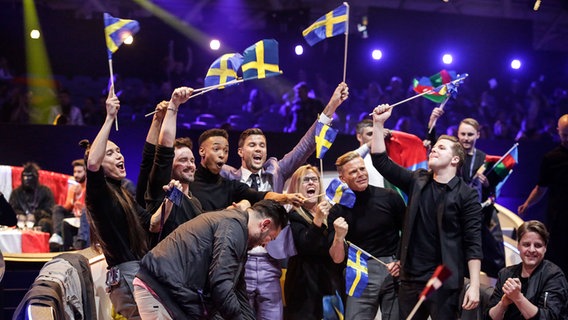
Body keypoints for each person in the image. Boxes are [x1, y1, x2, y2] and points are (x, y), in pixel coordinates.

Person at [219, 82, 348, 320]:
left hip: (271, 264)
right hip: (239, 265)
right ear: (240, 152)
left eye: (262, 145)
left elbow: (306, 146)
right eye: (252, 145)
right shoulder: (228, 176)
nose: (259, 149)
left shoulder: (276, 172)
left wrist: (330, 107)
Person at [370, 103, 482, 319]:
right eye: (435, 146)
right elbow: (381, 162)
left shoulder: (466, 195)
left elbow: (473, 244)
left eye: (441, 148)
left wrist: (475, 286)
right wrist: (378, 123)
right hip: (410, 278)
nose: (434, 150)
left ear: (455, 159)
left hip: (443, 279)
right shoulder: (418, 180)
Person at [83, 88, 172, 319]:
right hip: (127, 274)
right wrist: (110, 117)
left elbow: (153, 224)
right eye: (111, 153)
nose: (120, 156)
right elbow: (92, 162)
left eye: (119, 151)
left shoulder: (123, 193)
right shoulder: (98, 193)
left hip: (138, 270)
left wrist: (173, 197)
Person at [133, 199, 288, 319]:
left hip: (171, 294)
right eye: (271, 238)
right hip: (160, 293)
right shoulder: (233, 228)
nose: (266, 244)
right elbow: (221, 284)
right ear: (265, 225)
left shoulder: (236, 229)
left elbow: (238, 291)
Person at [328, 152, 405, 319]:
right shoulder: (337, 211)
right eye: (353, 172)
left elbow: (408, 233)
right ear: (343, 178)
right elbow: (337, 258)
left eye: (362, 168)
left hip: (394, 269)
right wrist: (339, 236)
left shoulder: (390, 197)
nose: (361, 174)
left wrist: (400, 260)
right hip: (358, 271)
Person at [137, 87, 202, 248]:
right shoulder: (162, 190)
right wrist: (174, 105)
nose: (190, 165)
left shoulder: (195, 202)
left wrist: (157, 119)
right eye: (183, 160)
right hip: (162, 270)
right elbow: (159, 153)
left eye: (192, 160)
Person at [190, 128, 304, 212]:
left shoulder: (231, 186)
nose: (222, 155)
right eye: (216, 149)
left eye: (226, 151)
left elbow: (260, 196)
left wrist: (286, 197)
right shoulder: (186, 184)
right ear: (201, 151)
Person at [283, 165, 344, 320]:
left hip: (330, 284)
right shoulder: (292, 217)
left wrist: (339, 235)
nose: (311, 183)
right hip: (303, 288)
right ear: (296, 187)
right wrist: (317, 220)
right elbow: (305, 245)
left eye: (314, 179)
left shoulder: (331, 214)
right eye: (305, 180)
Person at [486, 220, 568, 319]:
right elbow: (489, 317)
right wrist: (503, 303)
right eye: (526, 244)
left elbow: (549, 317)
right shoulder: (505, 274)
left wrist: (517, 297)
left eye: (538, 245)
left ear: (545, 248)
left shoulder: (554, 276)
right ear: (518, 246)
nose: (532, 250)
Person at [518, 114, 568, 276]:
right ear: (558, 131)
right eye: (565, 135)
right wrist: (527, 203)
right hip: (559, 218)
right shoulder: (551, 158)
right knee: (558, 259)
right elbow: (541, 187)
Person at [50, 159, 87, 251]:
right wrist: (73, 197)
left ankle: (74, 246)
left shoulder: (90, 187)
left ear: (86, 172)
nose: (76, 175)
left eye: (79, 172)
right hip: (75, 215)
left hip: (86, 218)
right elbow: (68, 207)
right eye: (74, 172)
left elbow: (90, 209)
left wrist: (80, 205)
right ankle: (57, 235)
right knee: (58, 208)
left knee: (67, 223)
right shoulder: (74, 188)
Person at [9, 162, 55, 233]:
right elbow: (11, 209)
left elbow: (50, 210)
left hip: (39, 220)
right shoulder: (16, 192)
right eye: (24, 176)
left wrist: (36, 215)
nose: (26, 179)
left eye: (29, 176)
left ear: (35, 177)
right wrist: (20, 215)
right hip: (20, 221)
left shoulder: (45, 191)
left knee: (45, 223)